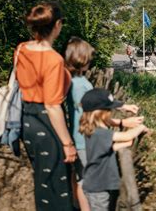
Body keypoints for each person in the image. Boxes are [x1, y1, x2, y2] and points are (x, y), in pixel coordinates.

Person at [16, 2, 75, 210]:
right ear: (57, 25)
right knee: (57, 183)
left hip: (27, 121)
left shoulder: (21, 49)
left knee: (42, 178)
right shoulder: (53, 59)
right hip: (47, 124)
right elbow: (52, 106)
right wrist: (68, 143)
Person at [79, 88, 148, 211]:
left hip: (95, 184)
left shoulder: (91, 131)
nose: (111, 112)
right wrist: (140, 127)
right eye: (109, 110)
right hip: (99, 187)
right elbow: (127, 135)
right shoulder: (101, 133)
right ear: (101, 113)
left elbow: (103, 152)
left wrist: (126, 143)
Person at [64, 37, 95, 211]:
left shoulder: (70, 81)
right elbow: (92, 110)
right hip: (84, 138)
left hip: (75, 136)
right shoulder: (81, 85)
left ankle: (75, 205)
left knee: (77, 176)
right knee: (85, 180)